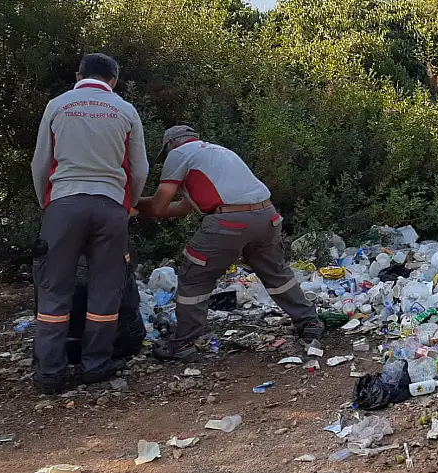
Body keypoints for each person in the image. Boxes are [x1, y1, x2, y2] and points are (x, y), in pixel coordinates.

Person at [136, 125, 322, 361]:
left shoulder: (179, 154)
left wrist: (131, 203)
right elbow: (183, 208)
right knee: (276, 273)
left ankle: (182, 344)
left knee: (195, 278)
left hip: (229, 222)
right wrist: (144, 210)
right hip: (267, 216)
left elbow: (159, 205)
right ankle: (309, 322)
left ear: (172, 144)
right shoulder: (218, 152)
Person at [29, 53, 149, 394]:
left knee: (54, 289)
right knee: (106, 288)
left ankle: (49, 374)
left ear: (79, 75)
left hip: (64, 204)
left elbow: (40, 163)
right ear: (114, 80)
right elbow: (139, 170)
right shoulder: (126, 110)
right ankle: (96, 365)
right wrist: (127, 204)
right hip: (111, 207)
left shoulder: (58, 105)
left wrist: (48, 204)